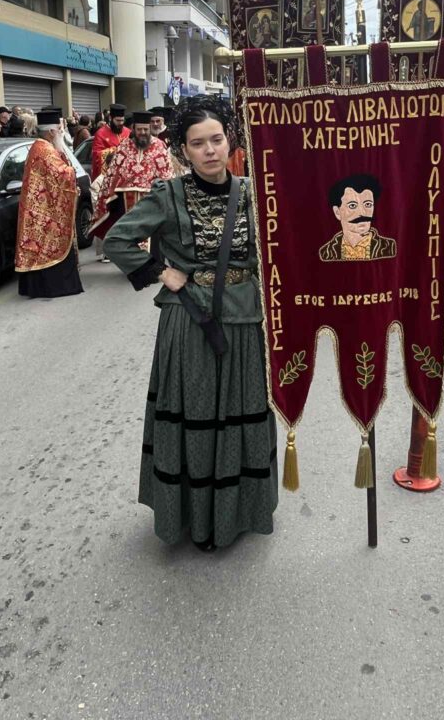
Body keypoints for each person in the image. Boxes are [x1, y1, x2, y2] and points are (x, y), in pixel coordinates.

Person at [104, 97, 278, 551]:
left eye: (216, 139)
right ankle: (197, 521)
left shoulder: (256, 193)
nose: (209, 150)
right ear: (183, 150)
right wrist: (163, 272)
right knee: (197, 415)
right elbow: (118, 239)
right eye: (198, 143)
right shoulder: (169, 195)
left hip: (245, 321)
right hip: (190, 322)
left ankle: (238, 514)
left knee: (240, 415)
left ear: (230, 141)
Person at [15, 109, 83, 298]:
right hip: (44, 210)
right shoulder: (44, 150)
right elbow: (61, 174)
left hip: (45, 206)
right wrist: (71, 171)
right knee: (47, 244)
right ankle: (54, 287)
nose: (62, 132)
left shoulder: (41, 147)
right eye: (60, 130)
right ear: (52, 131)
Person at [88, 111, 173, 253]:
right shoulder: (124, 146)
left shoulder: (160, 146)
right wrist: (107, 194)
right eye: (139, 129)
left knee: (153, 241)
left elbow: (167, 173)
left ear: (150, 128)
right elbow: (112, 173)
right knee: (129, 236)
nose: (142, 133)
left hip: (152, 199)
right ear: (134, 129)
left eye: (145, 129)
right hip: (126, 202)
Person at [318, 174, 398, 262]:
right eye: (352, 205)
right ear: (337, 212)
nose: (362, 213)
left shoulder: (388, 248)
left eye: (368, 204)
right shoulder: (327, 252)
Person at [91, 103, 131, 180]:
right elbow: (96, 155)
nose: (120, 123)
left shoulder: (128, 132)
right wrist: (117, 151)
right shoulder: (100, 134)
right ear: (110, 118)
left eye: (122, 120)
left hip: (126, 176)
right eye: (118, 120)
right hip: (109, 176)